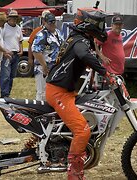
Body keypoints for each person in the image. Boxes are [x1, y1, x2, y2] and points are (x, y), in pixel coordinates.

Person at [45, 8, 113, 179]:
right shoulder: (79, 41)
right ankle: (74, 172)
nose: (101, 27)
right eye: (98, 23)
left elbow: (87, 57)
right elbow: (84, 55)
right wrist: (105, 73)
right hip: (59, 93)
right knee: (82, 131)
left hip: (66, 91)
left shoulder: (78, 38)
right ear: (89, 24)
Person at [32, 12, 63, 101]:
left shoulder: (58, 33)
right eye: (50, 22)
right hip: (43, 68)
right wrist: (44, 66)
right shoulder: (41, 35)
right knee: (42, 92)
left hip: (55, 67)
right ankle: (38, 112)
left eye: (54, 22)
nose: (52, 24)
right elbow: (36, 51)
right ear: (44, 22)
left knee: (53, 92)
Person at [0, 10, 23, 98]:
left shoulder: (18, 28)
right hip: (7, 54)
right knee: (5, 75)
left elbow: (20, 40)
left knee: (12, 75)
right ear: (8, 18)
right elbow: (0, 40)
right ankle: (4, 94)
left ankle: (7, 93)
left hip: (16, 54)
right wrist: (4, 51)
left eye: (15, 18)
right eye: (12, 18)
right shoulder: (4, 27)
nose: (13, 19)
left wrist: (20, 50)